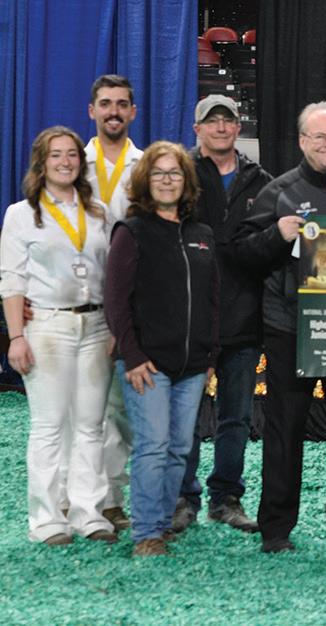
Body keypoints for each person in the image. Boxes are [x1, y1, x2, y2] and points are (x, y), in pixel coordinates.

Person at [233, 101, 326, 554]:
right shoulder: (278, 192)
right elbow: (241, 253)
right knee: (285, 428)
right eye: (319, 136)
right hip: (290, 327)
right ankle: (276, 528)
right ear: (302, 141)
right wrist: (276, 236)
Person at [1, 127, 116, 545]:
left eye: (71, 154)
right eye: (56, 155)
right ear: (41, 162)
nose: (65, 161)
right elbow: (11, 278)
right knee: (49, 425)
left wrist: (115, 327)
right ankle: (47, 519)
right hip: (47, 326)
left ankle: (88, 512)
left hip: (96, 325)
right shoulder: (21, 214)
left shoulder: (99, 212)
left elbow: (113, 274)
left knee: (90, 425)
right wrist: (16, 336)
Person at [104, 141, 218, 557]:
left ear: (186, 181)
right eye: (159, 173)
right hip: (147, 364)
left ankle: (164, 522)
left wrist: (210, 357)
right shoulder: (131, 232)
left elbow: (212, 300)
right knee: (152, 446)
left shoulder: (202, 235)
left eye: (175, 173)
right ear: (145, 181)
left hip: (192, 366)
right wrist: (132, 356)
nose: (167, 180)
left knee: (179, 448)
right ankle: (146, 533)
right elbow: (116, 302)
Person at [170, 95, 273, 534]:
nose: (220, 127)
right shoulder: (179, 176)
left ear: (237, 127)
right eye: (211, 121)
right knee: (187, 415)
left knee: (237, 417)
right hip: (191, 318)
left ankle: (226, 498)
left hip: (244, 317)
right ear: (197, 129)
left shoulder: (261, 181)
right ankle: (183, 498)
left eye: (227, 120)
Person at [85, 73, 144, 531]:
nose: (114, 112)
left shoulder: (144, 167)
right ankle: (78, 498)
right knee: (80, 410)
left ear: (133, 112)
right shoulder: (71, 161)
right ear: (92, 110)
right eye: (106, 103)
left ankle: (111, 500)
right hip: (80, 300)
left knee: (120, 410)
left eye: (122, 104)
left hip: (127, 306)